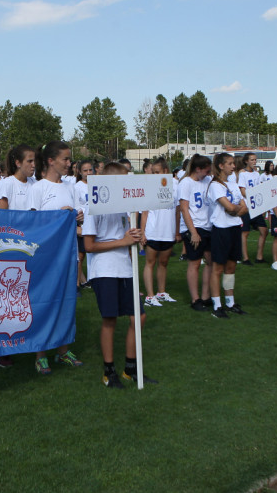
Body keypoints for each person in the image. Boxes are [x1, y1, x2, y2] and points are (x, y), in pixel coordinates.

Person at [82, 162, 155, 388]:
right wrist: (123, 241)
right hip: (104, 270)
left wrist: (135, 236)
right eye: (124, 179)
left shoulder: (125, 207)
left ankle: (131, 369)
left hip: (124, 268)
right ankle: (109, 371)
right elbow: (89, 246)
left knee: (139, 316)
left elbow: (125, 236)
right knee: (110, 320)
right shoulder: (93, 206)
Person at [29, 140, 85, 373]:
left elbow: (75, 219)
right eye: (65, 159)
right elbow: (31, 224)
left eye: (69, 159)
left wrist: (77, 218)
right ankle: (40, 354)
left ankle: (63, 351)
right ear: (51, 161)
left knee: (66, 304)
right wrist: (58, 217)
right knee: (43, 303)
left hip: (68, 253)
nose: (69, 163)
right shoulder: (38, 188)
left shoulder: (69, 186)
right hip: (45, 256)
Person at [0, 144, 37, 368]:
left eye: (34, 161)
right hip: (10, 249)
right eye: (29, 161)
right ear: (17, 163)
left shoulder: (36, 184)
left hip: (32, 248)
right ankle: (3, 347)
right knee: (6, 298)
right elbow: (2, 219)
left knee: (25, 297)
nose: (33, 165)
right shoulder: (6, 184)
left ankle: (27, 340)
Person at [207, 153, 247, 318]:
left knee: (231, 267)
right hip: (221, 228)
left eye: (233, 163)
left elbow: (244, 207)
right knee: (217, 268)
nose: (233, 166)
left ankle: (230, 302)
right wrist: (235, 208)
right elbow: (230, 207)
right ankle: (217, 305)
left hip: (234, 227)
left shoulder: (233, 184)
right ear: (221, 166)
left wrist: (235, 208)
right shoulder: (215, 185)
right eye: (230, 163)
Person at [140, 158, 178, 306]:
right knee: (150, 262)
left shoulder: (175, 185)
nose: (155, 175)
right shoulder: (149, 186)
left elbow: (177, 209)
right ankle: (150, 296)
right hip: (153, 231)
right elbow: (144, 212)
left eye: (157, 172)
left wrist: (176, 231)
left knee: (163, 263)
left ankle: (161, 292)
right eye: (153, 172)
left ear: (165, 171)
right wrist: (143, 233)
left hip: (167, 231)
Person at [178, 155, 212, 311]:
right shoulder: (186, 183)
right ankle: (195, 299)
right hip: (194, 227)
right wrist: (193, 232)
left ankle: (206, 296)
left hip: (208, 225)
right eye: (206, 169)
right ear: (198, 169)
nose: (208, 172)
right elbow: (184, 208)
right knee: (195, 263)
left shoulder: (207, 181)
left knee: (211, 261)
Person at [236, 153, 268, 265]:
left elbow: (259, 188)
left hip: (256, 207)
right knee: (245, 232)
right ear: (246, 161)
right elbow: (242, 190)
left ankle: (259, 257)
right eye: (252, 160)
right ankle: (245, 258)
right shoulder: (243, 174)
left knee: (264, 230)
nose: (254, 162)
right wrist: (252, 196)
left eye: (255, 160)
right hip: (246, 207)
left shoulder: (256, 174)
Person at [74, 160, 94, 288]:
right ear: (80, 172)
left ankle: (92, 279)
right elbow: (77, 206)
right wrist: (79, 223)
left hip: (95, 222)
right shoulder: (77, 187)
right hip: (83, 223)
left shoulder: (96, 184)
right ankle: (76, 284)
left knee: (94, 252)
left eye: (90, 170)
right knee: (81, 255)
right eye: (85, 171)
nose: (88, 173)